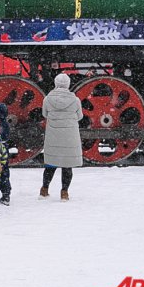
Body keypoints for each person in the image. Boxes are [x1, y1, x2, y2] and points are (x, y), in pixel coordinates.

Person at [40, 73, 83, 201]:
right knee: (67, 164)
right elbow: (80, 116)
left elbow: (44, 114)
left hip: (53, 134)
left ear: (56, 83)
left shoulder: (47, 99)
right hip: (70, 136)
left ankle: (44, 190)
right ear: (68, 84)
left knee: (51, 164)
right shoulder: (75, 100)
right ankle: (64, 193)